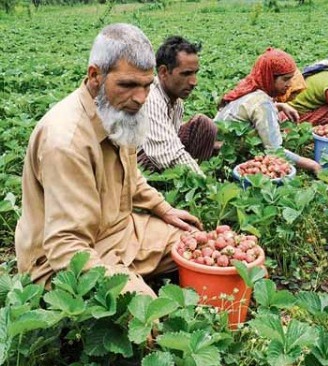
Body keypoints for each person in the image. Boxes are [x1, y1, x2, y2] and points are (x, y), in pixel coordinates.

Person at [14, 23, 203, 298]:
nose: (140, 98)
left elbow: (131, 177)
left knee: (193, 245)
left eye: (146, 86)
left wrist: (164, 209)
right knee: (143, 311)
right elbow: (65, 246)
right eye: (127, 85)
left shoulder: (118, 112)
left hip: (118, 234)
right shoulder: (66, 141)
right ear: (95, 76)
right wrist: (130, 289)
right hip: (59, 262)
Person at [214, 48, 321, 174]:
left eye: (291, 78)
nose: (290, 84)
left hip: (215, 142)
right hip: (222, 152)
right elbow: (274, 150)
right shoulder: (263, 103)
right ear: (270, 77)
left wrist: (280, 106)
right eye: (285, 79)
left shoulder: (250, 88)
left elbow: (251, 110)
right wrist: (311, 164)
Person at [137, 36, 217, 176]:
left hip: (161, 153)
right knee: (165, 153)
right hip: (135, 166)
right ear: (163, 72)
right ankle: (188, 184)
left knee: (204, 125)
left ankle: (187, 186)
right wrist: (205, 184)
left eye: (195, 73)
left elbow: (173, 137)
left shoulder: (176, 100)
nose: (193, 82)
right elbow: (168, 152)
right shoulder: (151, 99)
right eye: (186, 74)